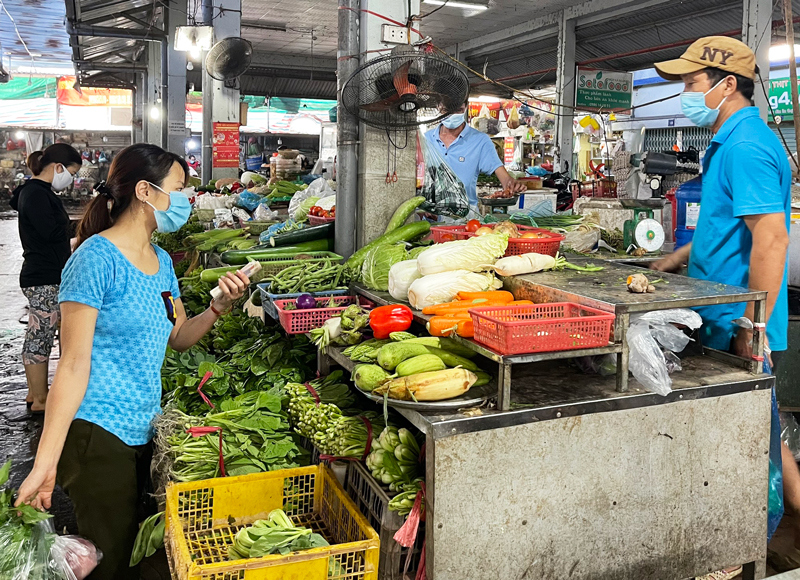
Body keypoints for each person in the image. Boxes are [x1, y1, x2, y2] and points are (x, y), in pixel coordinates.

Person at [14, 143, 250, 579]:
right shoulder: (94, 259)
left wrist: (218, 307)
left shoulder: (160, 261)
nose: (186, 201)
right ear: (145, 191)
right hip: (97, 432)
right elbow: (71, 364)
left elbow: (177, 336)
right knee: (110, 560)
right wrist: (45, 462)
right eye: (179, 189)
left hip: (145, 426)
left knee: (133, 553)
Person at [651, 36, 799, 557]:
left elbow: (772, 238)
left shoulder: (745, 147)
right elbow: (724, 229)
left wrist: (751, 326)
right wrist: (675, 258)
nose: (685, 95)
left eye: (691, 83)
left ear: (726, 84)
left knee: (744, 447)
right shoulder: (727, 142)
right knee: (766, 433)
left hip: (737, 321)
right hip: (719, 313)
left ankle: (738, 547)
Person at [11, 144, 82, 415]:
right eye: (72, 173)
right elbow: (50, 231)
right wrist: (81, 225)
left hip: (47, 274)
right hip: (43, 276)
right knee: (40, 333)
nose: (72, 179)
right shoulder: (36, 194)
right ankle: (40, 398)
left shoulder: (37, 193)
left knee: (42, 331)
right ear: (58, 168)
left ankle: (36, 393)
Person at [424, 99, 526, 209]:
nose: (452, 115)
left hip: (465, 219)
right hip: (428, 216)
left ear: (466, 106)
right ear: (438, 107)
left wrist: (510, 183)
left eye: (458, 110)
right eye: (447, 110)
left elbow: (503, 176)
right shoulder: (425, 139)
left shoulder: (480, 141)